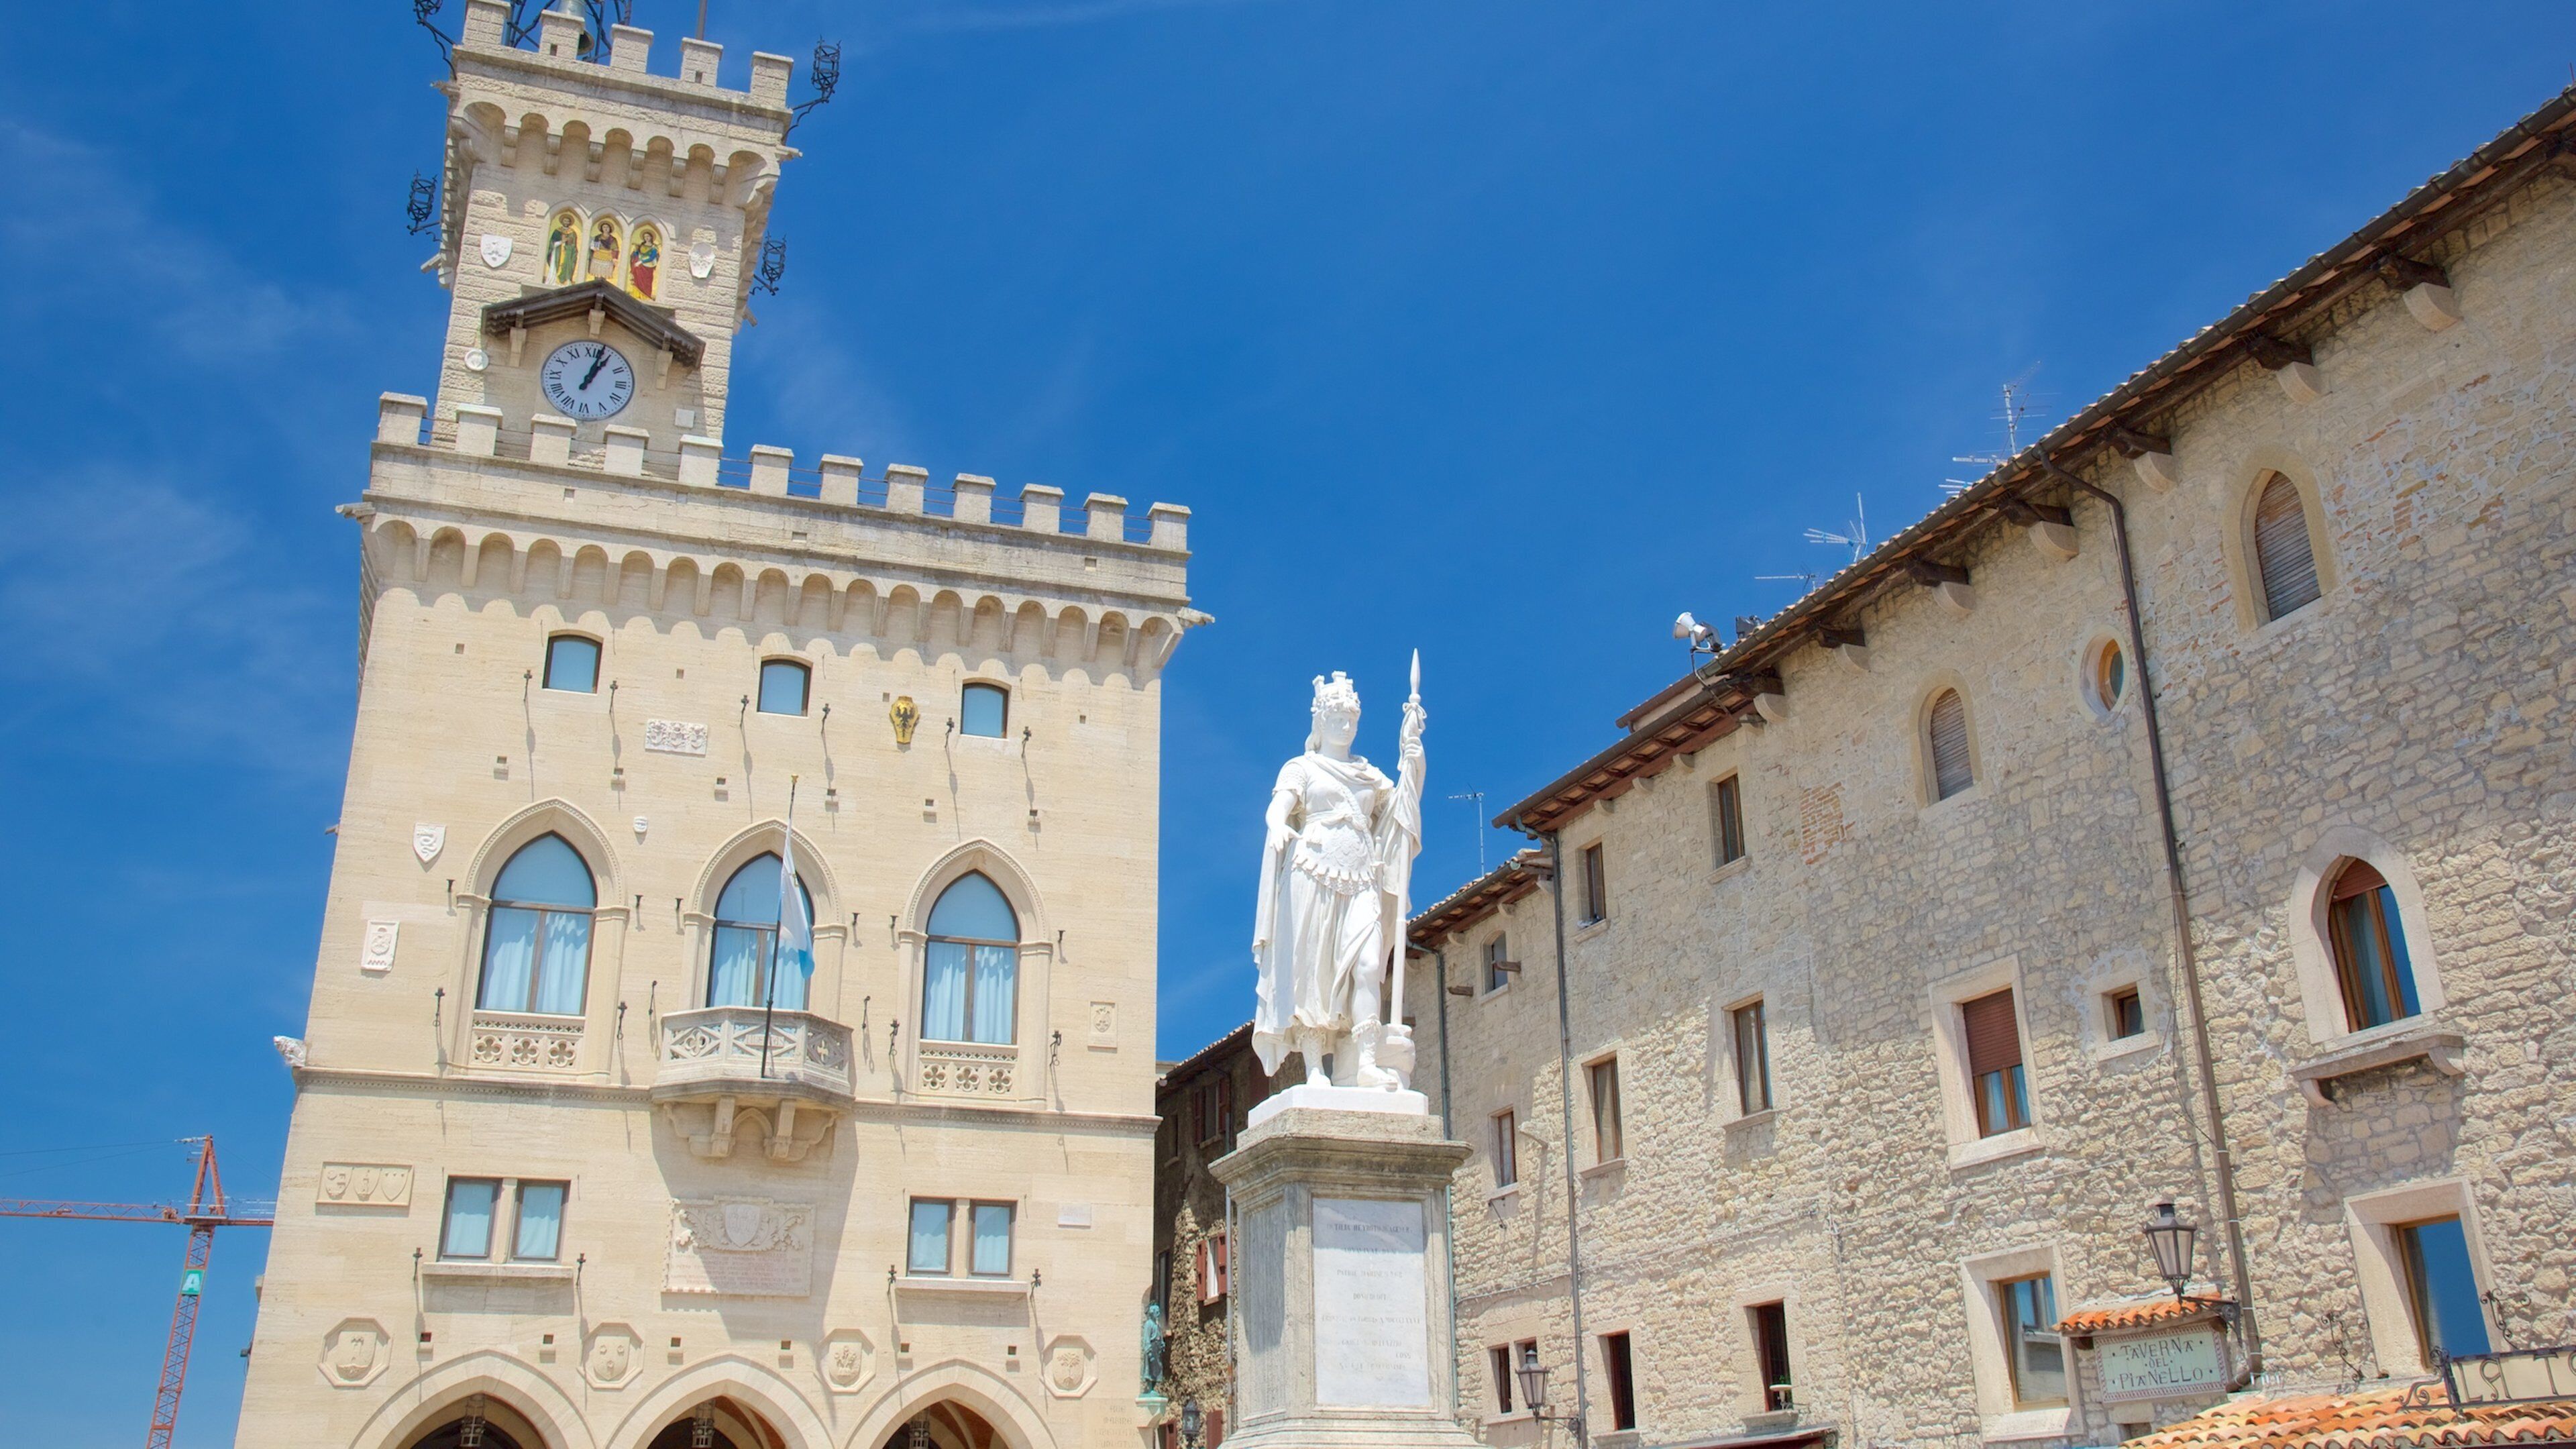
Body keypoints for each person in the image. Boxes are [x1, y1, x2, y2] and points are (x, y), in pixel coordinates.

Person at [1250, 670, 1425, 1090]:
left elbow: (1402, 807)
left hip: (1361, 876)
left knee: (1368, 967)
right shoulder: (1302, 768)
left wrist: (1413, 760)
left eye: (1351, 719)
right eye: (1336, 718)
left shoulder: (1369, 775)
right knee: (1315, 973)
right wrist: (1276, 826)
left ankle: (1365, 1061)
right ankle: (1314, 1067)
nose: (1345, 726)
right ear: (1320, 722)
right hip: (1312, 874)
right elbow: (1280, 807)